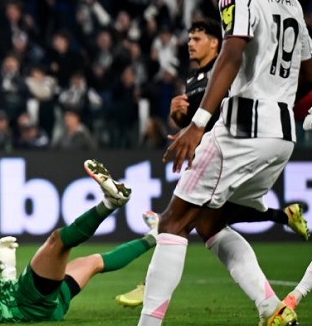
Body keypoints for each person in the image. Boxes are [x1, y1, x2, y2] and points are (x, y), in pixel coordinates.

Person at [138, 0, 312, 326]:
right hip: (282, 138)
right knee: (209, 220)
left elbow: (230, 55)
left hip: (242, 130)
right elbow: (307, 75)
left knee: (172, 222)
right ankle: (270, 307)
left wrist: (198, 123)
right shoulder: (291, 1)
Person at [115, 19, 309, 307]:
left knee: (182, 221)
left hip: (233, 147)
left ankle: (150, 287)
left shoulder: (228, 66)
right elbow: (195, 121)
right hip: (216, 151)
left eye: (197, 38)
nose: (190, 44)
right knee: (209, 223)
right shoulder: (194, 79)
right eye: (189, 39)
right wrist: (179, 117)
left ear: (215, 42)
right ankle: (271, 291)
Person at [0, 159, 157, 324]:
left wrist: (8, 267)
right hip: (31, 304)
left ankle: (154, 236)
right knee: (57, 241)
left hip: (46, 307)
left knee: (93, 261)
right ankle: (110, 203)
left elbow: (6, 297)